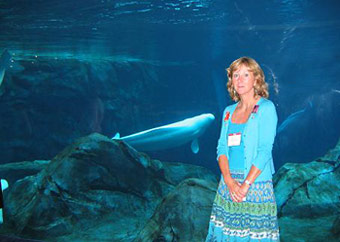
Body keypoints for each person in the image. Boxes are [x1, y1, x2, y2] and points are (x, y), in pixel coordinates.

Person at [206, 57, 280, 241]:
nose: (239, 79)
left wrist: (245, 185)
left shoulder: (266, 108)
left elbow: (264, 150)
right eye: (235, 75)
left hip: (255, 185)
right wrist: (230, 182)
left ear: (256, 79)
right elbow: (222, 147)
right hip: (229, 185)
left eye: (245, 75)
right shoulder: (228, 112)